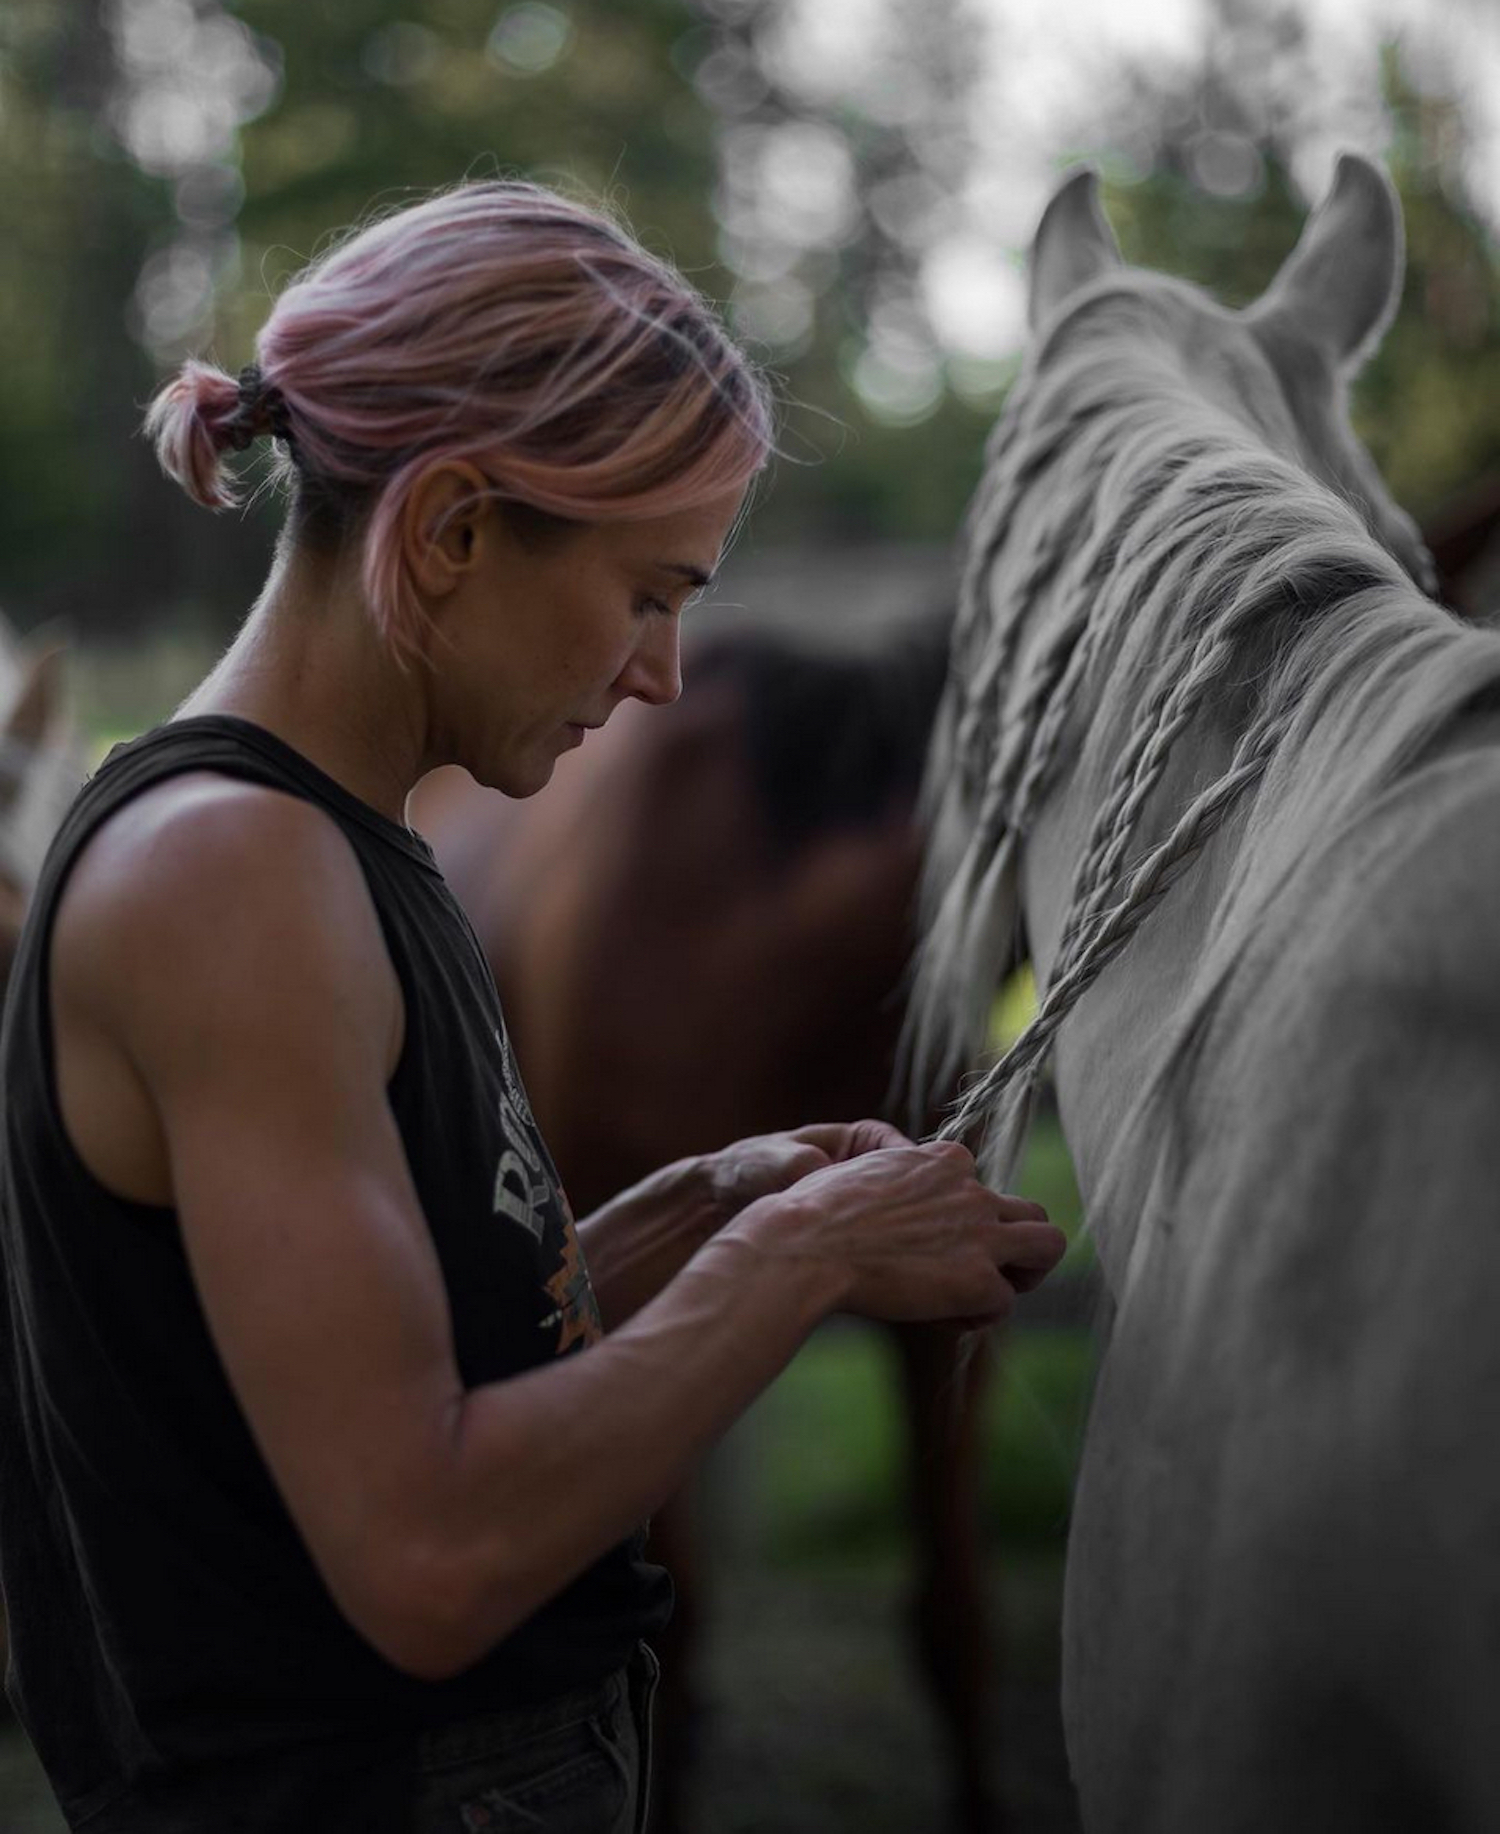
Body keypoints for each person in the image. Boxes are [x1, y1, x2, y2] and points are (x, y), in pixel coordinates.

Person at [0, 179, 1065, 1834]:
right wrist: (809, 1261)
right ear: (450, 532)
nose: (664, 678)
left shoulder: (341, 840)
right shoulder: (233, 883)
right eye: (651, 595)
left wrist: (713, 1204)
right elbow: (426, 1554)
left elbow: (420, 1352)